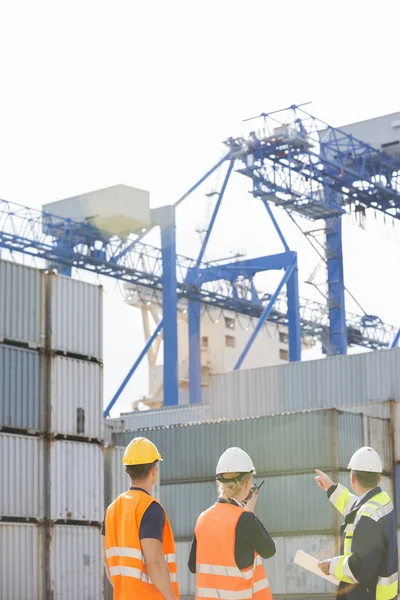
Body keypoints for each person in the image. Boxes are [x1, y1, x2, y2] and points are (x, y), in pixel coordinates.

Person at [188, 447, 276, 599]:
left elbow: (192, 566)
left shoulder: (203, 518)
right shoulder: (244, 519)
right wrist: (250, 513)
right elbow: (269, 550)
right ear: (248, 483)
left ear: (220, 483)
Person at [315, 446, 398, 600]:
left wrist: (330, 566)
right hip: (384, 594)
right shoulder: (382, 501)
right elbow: (357, 508)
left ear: (352, 478)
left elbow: (360, 569)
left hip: (368, 594)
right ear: (379, 478)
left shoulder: (367, 516)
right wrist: (331, 488)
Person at [102, 436, 179, 600]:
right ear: (153, 471)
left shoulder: (111, 510)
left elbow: (107, 561)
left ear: (128, 470)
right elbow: (155, 563)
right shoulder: (151, 509)